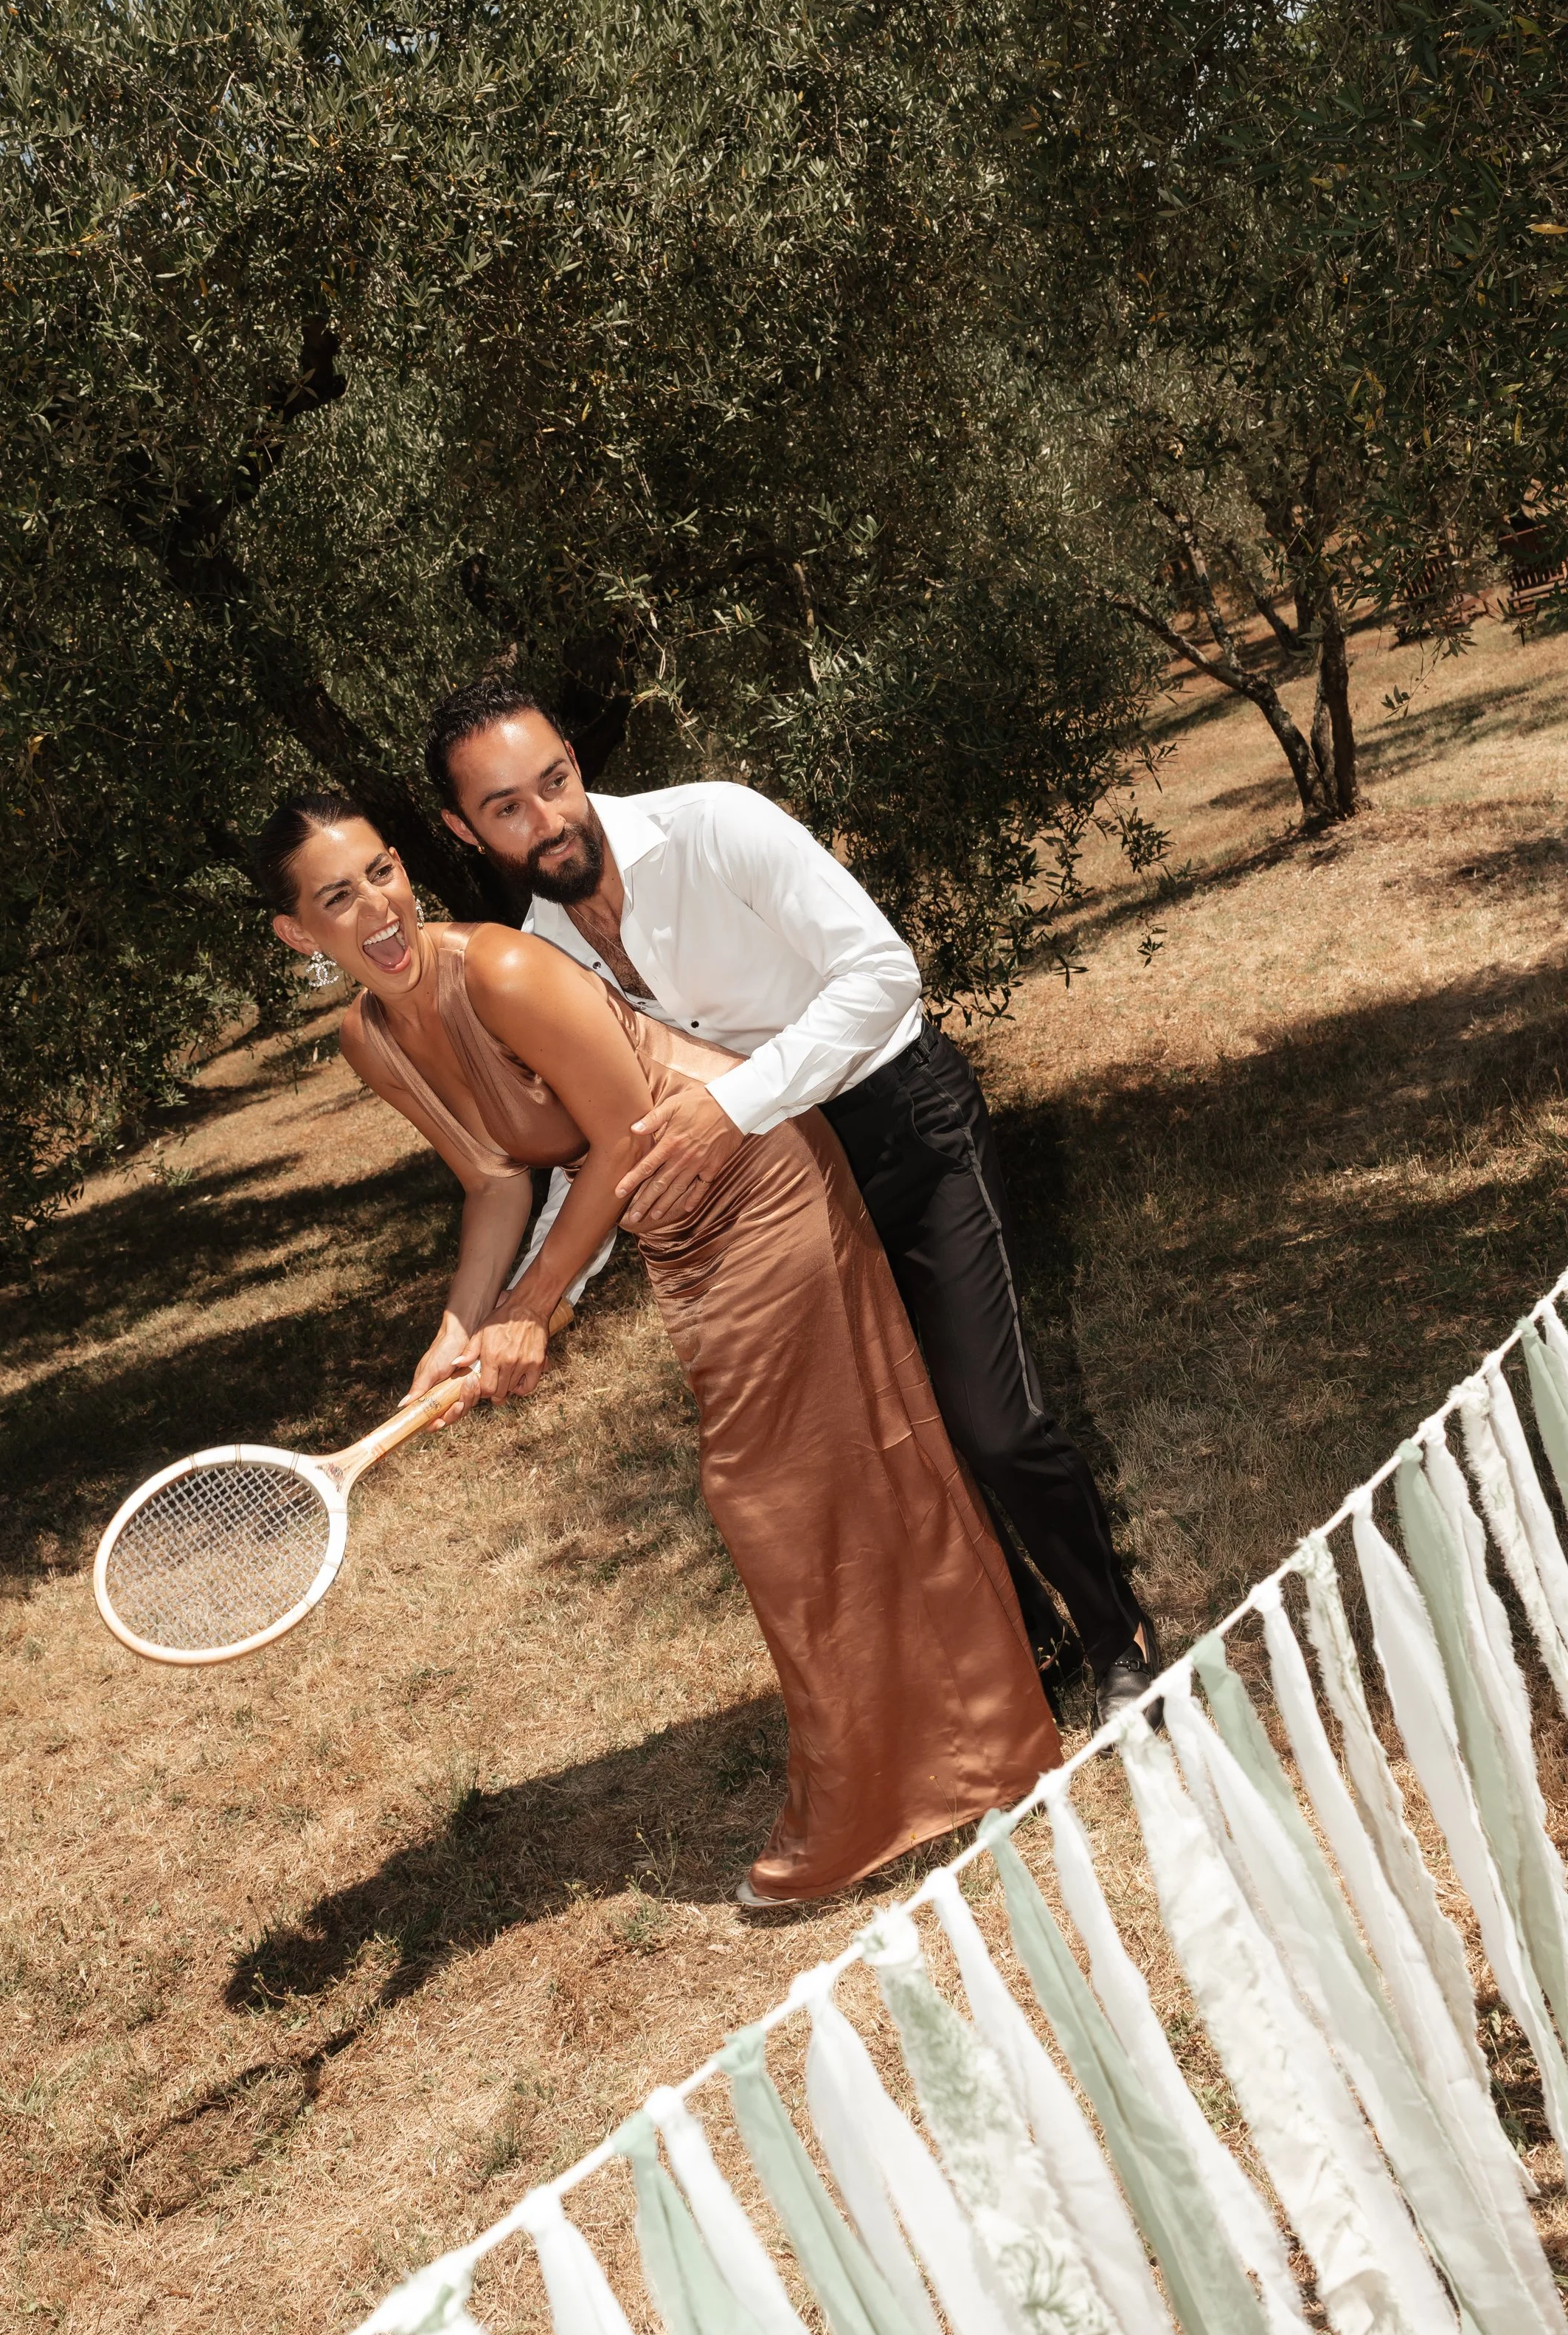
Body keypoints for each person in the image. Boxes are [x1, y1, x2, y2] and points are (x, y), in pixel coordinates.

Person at [254, 790, 1060, 1909]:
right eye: (337, 899)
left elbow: (622, 1141)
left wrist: (538, 1305)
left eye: (383, 871)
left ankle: (869, 1799)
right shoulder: (371, 1037)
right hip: (673, 1219)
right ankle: (986, 1747)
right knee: (823, 1479)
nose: (377, 907)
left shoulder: (500, 970)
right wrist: (457, 1329)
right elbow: (496, 1180)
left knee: (764, 1493)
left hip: (754, 1179)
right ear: (300, 935)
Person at [424, 678, 1160, 1728]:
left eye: (555, 780)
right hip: (783, 1195)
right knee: (903, 1442)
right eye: (507, 807)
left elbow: (881, 975)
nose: (549, 819)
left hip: (905, 1124)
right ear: (461, 827)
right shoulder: (541, 954)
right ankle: (1022, 1642)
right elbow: (606, 1141)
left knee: (993, 1425)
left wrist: (734, 1100)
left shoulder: (714, 823)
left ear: (576, 762)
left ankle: (1114, 1631)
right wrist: (528, 1304)